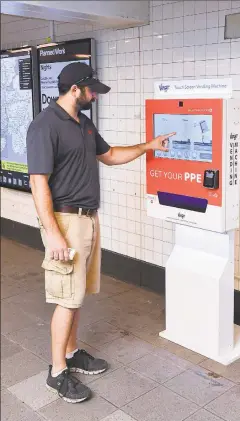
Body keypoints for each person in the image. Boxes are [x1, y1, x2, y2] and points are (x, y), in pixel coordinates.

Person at [26, 61, 174, 404]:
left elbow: (108, 156)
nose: (95, 94)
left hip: (89, 219)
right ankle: (58, 371)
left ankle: (74, 351)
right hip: (65, 222)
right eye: (91, 89)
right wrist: (53, 234)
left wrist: (148, 146)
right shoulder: (45, 126)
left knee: (77, 294)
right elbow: (38, 183)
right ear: (74, 90)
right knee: (67, 297)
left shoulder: (84, 124)